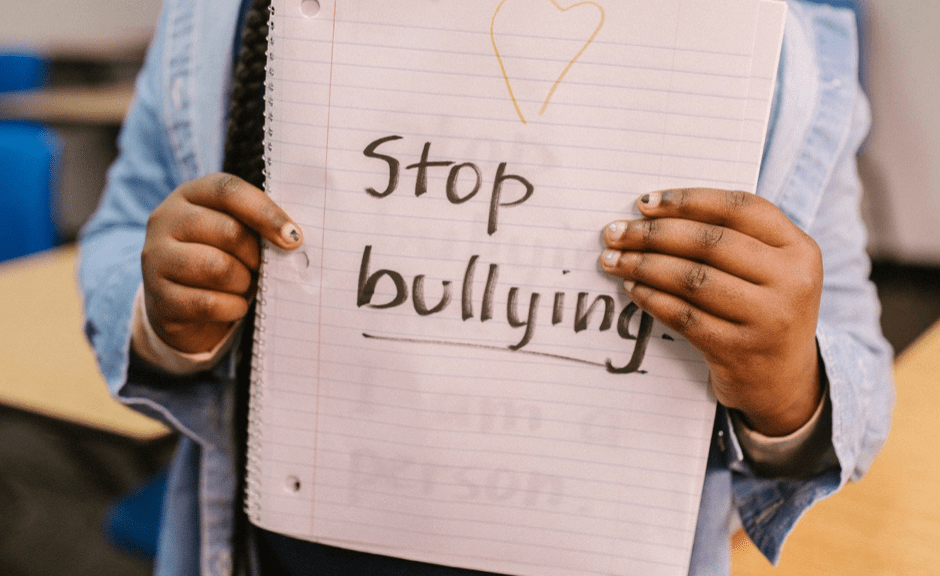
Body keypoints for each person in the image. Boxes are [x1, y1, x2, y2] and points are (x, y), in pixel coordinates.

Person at [78, 0, 894, 574]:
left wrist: (788, 387)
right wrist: (164, 315)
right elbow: (120, 233)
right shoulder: (218, 16)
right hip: (276, 550)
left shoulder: (787, 49)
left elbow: (854, 356)